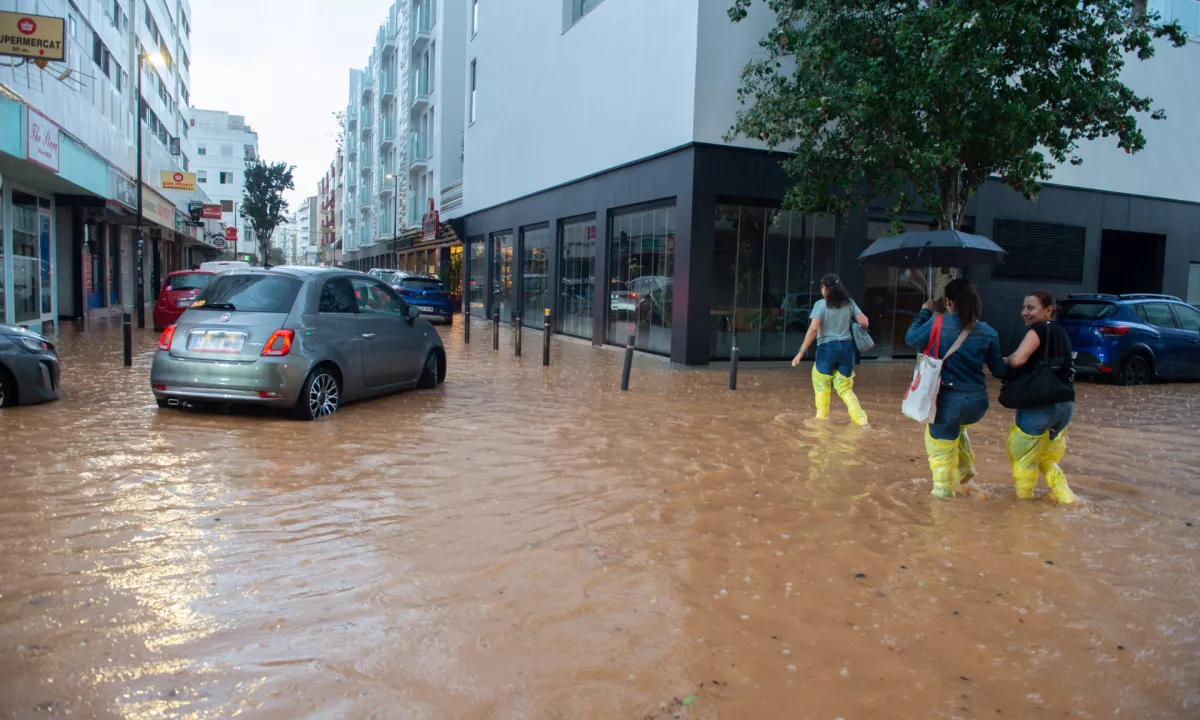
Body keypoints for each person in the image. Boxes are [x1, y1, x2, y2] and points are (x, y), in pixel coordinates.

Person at [905, 280, 1007, 498]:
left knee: (940, 453)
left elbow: (911, 338)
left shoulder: (937, 323)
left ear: (948, 302)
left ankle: (943, 501)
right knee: (957, 430)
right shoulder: (988, 332)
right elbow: (1000, 370)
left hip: (947, 403)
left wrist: (924, 312)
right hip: (977, 404)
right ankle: (966, 479)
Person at [1004, 291, 1079, 504]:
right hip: (1065, 406)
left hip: (1040, 405)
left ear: (1048, 310)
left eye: (1031, 308)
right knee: (1045, 458)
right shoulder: (1061, 332)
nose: (1024, 313)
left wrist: (1006, 360)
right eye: (1024, 308)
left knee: (1023, 458)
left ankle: (1024, 506)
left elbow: (1018, 359)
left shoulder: (1038, 330)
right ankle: (1067, 498)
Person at [791, 274, 870, 427]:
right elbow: (864, 322)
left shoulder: (820, 305)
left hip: (826, 349)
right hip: (847, 349)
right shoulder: (849, 303)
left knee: (822, 385)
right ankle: (861, 421)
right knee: (845, 387)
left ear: (824, 288)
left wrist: (800, 352)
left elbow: (813, 329)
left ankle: (821, 421)